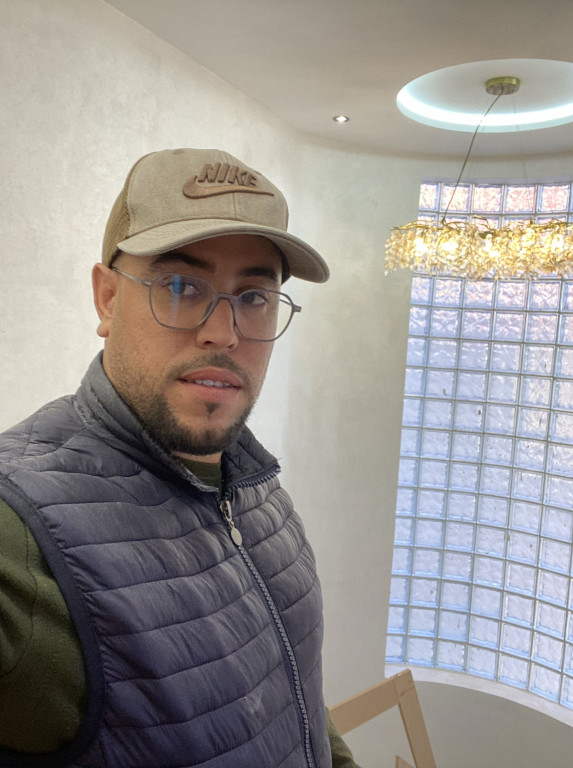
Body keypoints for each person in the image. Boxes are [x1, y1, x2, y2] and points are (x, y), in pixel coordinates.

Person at [0, 148, 359, 767]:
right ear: (107, 298)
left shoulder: (258, 485)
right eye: (181, 287)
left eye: (254, 296)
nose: (225, 333)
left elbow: (298, 691)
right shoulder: (20, 524)